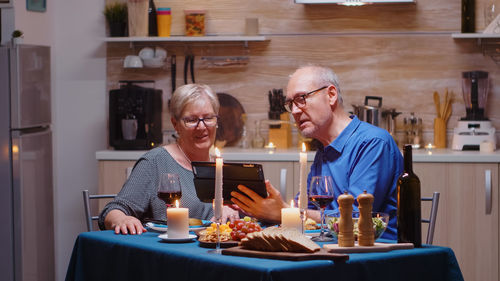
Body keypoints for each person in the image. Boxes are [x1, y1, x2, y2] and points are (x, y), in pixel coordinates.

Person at [231, 65, 403, 239]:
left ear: (331, 95)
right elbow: (306, 210)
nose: (295, 111)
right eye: (290, 104)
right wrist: (261, 207)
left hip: (375, 255)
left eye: (302, 98)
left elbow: (355, 217)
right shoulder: (324, 149)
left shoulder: (373, 143)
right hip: (330, 249)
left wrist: (283, 212)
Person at [99, 84, 239, 235]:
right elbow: (113, 211)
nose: (201, 127)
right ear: (175, 124)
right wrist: (122, 220)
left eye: (208, 118)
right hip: (168, 252)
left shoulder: (220, 166)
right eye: (191, 120)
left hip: (212, 252)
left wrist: (230, 210)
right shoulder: (155, 162)